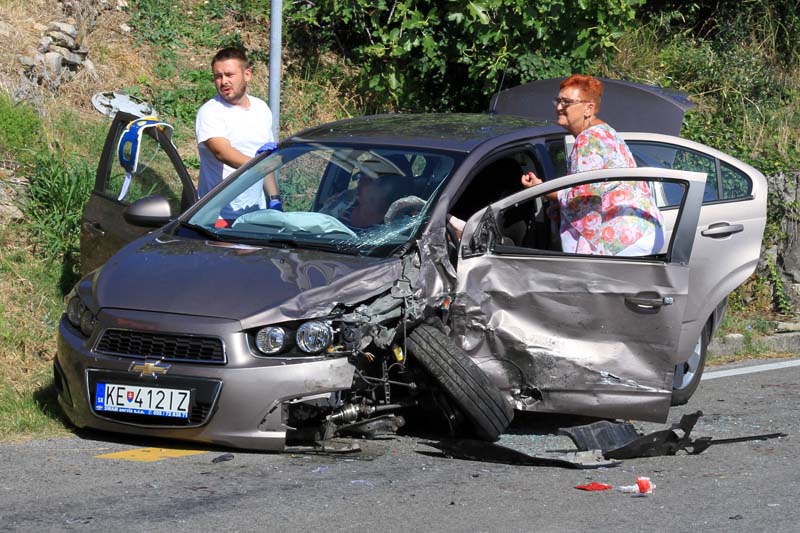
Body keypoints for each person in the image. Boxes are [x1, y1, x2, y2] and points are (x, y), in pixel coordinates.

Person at [521, 74, 663, 256]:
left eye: (566, 102)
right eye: (558, 101)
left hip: (621, 238)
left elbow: (583, 195)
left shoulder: (588, 139)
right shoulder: (605, 131)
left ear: (589, 108)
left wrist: (542, 189)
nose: (558, 107)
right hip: (641, 228)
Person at [195, 47, 279, 225]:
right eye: (218, 76)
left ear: (247, 74)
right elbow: (222, 152)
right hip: (218, 216)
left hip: (255, 213)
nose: (223, 81)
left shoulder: (261, 109)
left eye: (229, 75)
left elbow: (266, 158)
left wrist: (274, 198)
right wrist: (259, 165)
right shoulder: (210, 112)